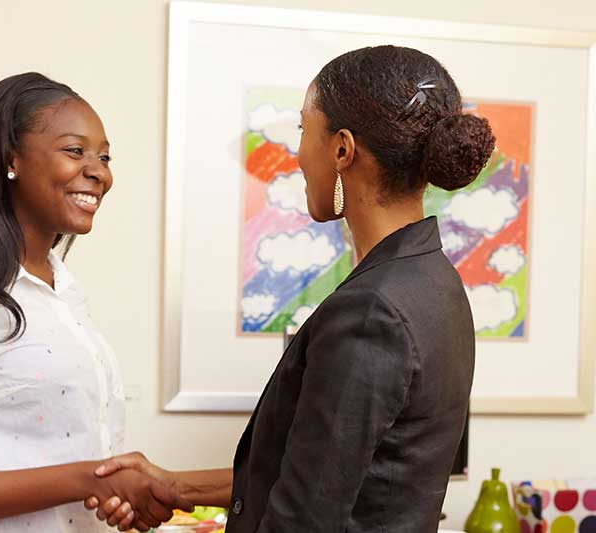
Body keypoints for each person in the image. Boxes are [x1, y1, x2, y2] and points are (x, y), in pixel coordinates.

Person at [88, 45, 493, 532]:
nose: (297, 153)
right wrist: (176, 487)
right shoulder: (433, 280)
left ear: (342, 149)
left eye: (304, 130)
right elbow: (335, 475)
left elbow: (304, 517)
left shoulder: (372, 311)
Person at [0, 72, 190, 533]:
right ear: (11, 160)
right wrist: (85, 479)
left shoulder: (63, 294)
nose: (99, 172)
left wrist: (106, 491)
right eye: (75, 151)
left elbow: (67, 461)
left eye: (104, 157)